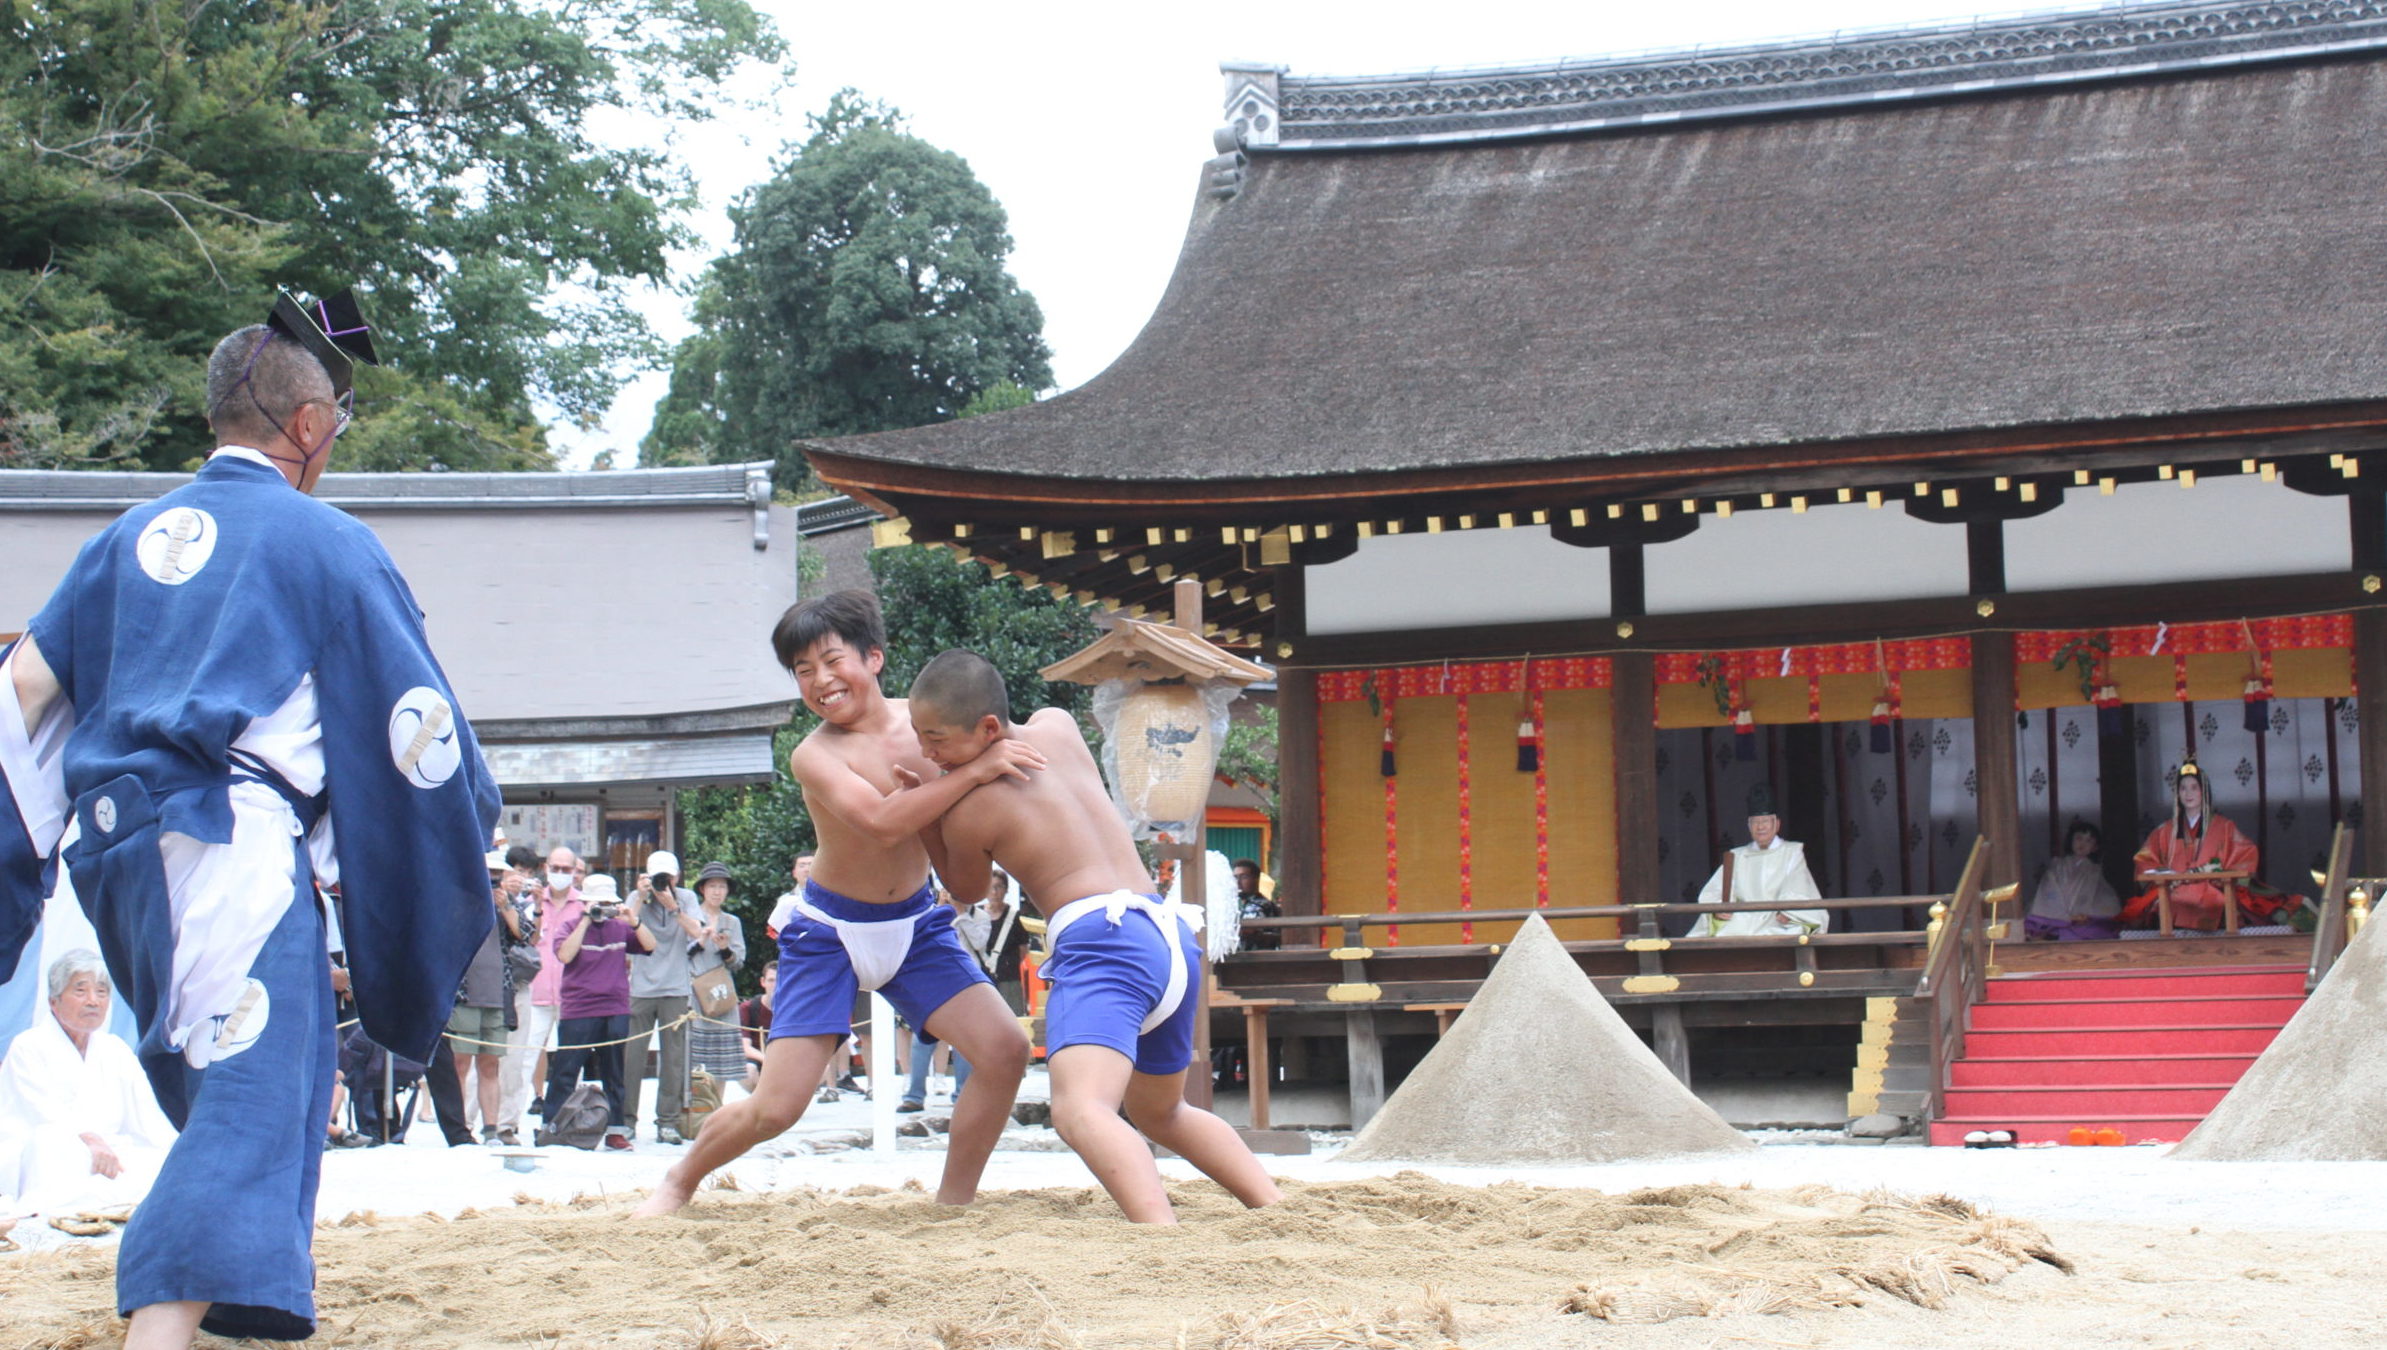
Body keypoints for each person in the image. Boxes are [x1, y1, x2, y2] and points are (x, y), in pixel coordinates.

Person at [0, 291, 498, 1346]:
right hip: (230, 847)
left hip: (118, 861)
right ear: (309, 427)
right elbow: (417, 733)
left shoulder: (118, 543)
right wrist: (437, 855)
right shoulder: (325, 542)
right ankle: (161, 1329)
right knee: (260, 1088)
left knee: (244, 1067)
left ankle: (233, 1308)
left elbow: (21, 696)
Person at [635, 590, 1040, 1216]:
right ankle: (680, 1179)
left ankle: (953, 1204)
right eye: (803, 671)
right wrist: (972, 775)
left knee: (1006, 1050)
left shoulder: (930, 722)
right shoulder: (814, 754)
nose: (821, 681)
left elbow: (1001, 757)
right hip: (828, 932)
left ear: (873, 657)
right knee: (777, 1108)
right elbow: (881, 821)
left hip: (916, 926)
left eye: (831, 661)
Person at [910, 650, 1282, 1223]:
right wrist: (970, 765)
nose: (928, 755)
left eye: (936, 740)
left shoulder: (972, 808)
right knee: (1162, 1113)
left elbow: (963, 888)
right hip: (1168, 934)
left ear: (987, 729)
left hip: (1102, 944)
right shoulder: (1056, 725)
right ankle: (1273, 1206)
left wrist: (928, 814)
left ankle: (1160, 1233)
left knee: (1081, 1111)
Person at [0, 951, 177, 1215]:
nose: (93, 1001)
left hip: (111, 1153)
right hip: (57, 1149)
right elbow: (39, 1113)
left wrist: (179, 1152)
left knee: (160, 1161)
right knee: (53, 1147)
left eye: (102, 992)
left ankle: (104, 1201)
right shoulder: (28, 1046)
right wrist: (90, 1140)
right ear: (54, 1001)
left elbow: (148, 1120)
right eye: (80, 991)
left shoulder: (115, 1049)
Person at [537, 873, 652, 1149]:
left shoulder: (619, 927)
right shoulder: (570, 925)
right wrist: (587, 918)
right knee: (566, 1068)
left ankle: (615, 1129)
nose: (602, 908)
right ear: (585, 902)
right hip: (579, 1007)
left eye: (606, 903)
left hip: (615, 1006)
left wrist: (631, 918)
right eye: (596, 902)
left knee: (614, 1070)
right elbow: (564, 955)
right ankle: (552, 1125)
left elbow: (650, 945)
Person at [2121, 759, 2286, 931]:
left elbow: (2245, 855)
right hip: (2172, 890)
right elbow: (2144, 861)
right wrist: (2169, 877)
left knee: (2219, 901)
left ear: (2204, 792)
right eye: (2183, 788)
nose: (2188, 793)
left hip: (2215, 888)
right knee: (2159, 903)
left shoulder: (2225, 827)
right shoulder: (2164, 831)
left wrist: (2214, 876)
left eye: (2194, 787)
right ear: (2177, 793)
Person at [624, 850, 703, 1144]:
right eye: (658, 877)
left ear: (677, 876)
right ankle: (626, 1120)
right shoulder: (639, 897)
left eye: (668, 877)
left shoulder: (686, 898)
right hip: (641, 988)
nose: (663, 882)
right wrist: (639, 895)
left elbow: (698, 932)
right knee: (632, 1056)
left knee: (673, 1058)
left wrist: (673, 908)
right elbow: (623, 923)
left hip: (676, 987)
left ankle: (667, 1121)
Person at [504, 847, 579, 1137]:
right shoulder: (528, 901)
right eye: (556, 868)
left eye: (566, 869)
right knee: (522, 1060)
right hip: (534, 993)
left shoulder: (584, 905)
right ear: (546, 868)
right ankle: (509, 1123)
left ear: (574, 871)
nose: (560, 873)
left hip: (573, 994)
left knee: (571, 1062)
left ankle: (570, 1124)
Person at [1687, 784, 1827, 937]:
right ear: (1749, 825)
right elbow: (1715, 891)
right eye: (1755, 822)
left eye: (1765, 821)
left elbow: (1797, 885)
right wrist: (1720, 909)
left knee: (1795, 931)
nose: (1760, 827)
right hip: (1743, 918)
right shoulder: (1737, 855)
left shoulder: (1791, 852)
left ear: (1776, 824)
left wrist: (1789, 911)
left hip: (1776, 918)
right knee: (1721, 932)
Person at [444, 859, 516, 1143]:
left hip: (497, 993)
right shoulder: (458, 899)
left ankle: (491, 1128)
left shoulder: (507, 902)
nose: (493, 880)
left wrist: (506, 906)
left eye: (498, 874)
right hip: (465, 993)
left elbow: (526, 936)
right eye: (489, 874)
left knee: (490, 1064)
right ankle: (461, 1126)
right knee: (460, 1062)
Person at [684, 861, 750, 1097]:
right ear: (702, 889)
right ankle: (695, 1112)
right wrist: (701, 941)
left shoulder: (732, 922)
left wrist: (724, 949)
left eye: (722, 887)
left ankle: (716, 1108)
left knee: (721, 1065)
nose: (717, 891)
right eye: (712, 886)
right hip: (695, 993)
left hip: (722, 993)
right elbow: (680, 955)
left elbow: (739, 961)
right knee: (694, 1059)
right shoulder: (690, 918)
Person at [2025, 821, 2122, 941]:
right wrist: (2063, 915)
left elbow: (2097, 894)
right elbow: (2049, 888)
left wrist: (2083, 913)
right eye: (2079, 838)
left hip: (2082, 921)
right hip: (2055, 918)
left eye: (2089, 841)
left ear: (2095, 847)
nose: (2082, 844)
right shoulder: (2057, 864)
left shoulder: (2094, 870)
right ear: (2071, 840)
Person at [735, 960, 778, 1091]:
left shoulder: (793, 1009)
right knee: (748, 1071)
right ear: (762, 982)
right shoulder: (747, 1008)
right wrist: (767, 1060)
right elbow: (745, 1047)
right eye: (771, 980)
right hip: (757, 1060)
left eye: (779, 980)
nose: (775, 985)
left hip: (784, 1060)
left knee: (822, 1068)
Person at [1232, 858, 1281, 950]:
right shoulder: (1243, 905)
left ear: (1256, 879)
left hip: (1258, 960)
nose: (1238, 882)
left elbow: (1248, 931)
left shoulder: (1260, 905)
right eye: (1235, 877)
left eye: (1244, 877)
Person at [766, 853, 815, 940]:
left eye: (811, 865)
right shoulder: (785, 901)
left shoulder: (831, 898)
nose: (807, 869)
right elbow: (777, 930)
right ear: (794, 873)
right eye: (802, 865)